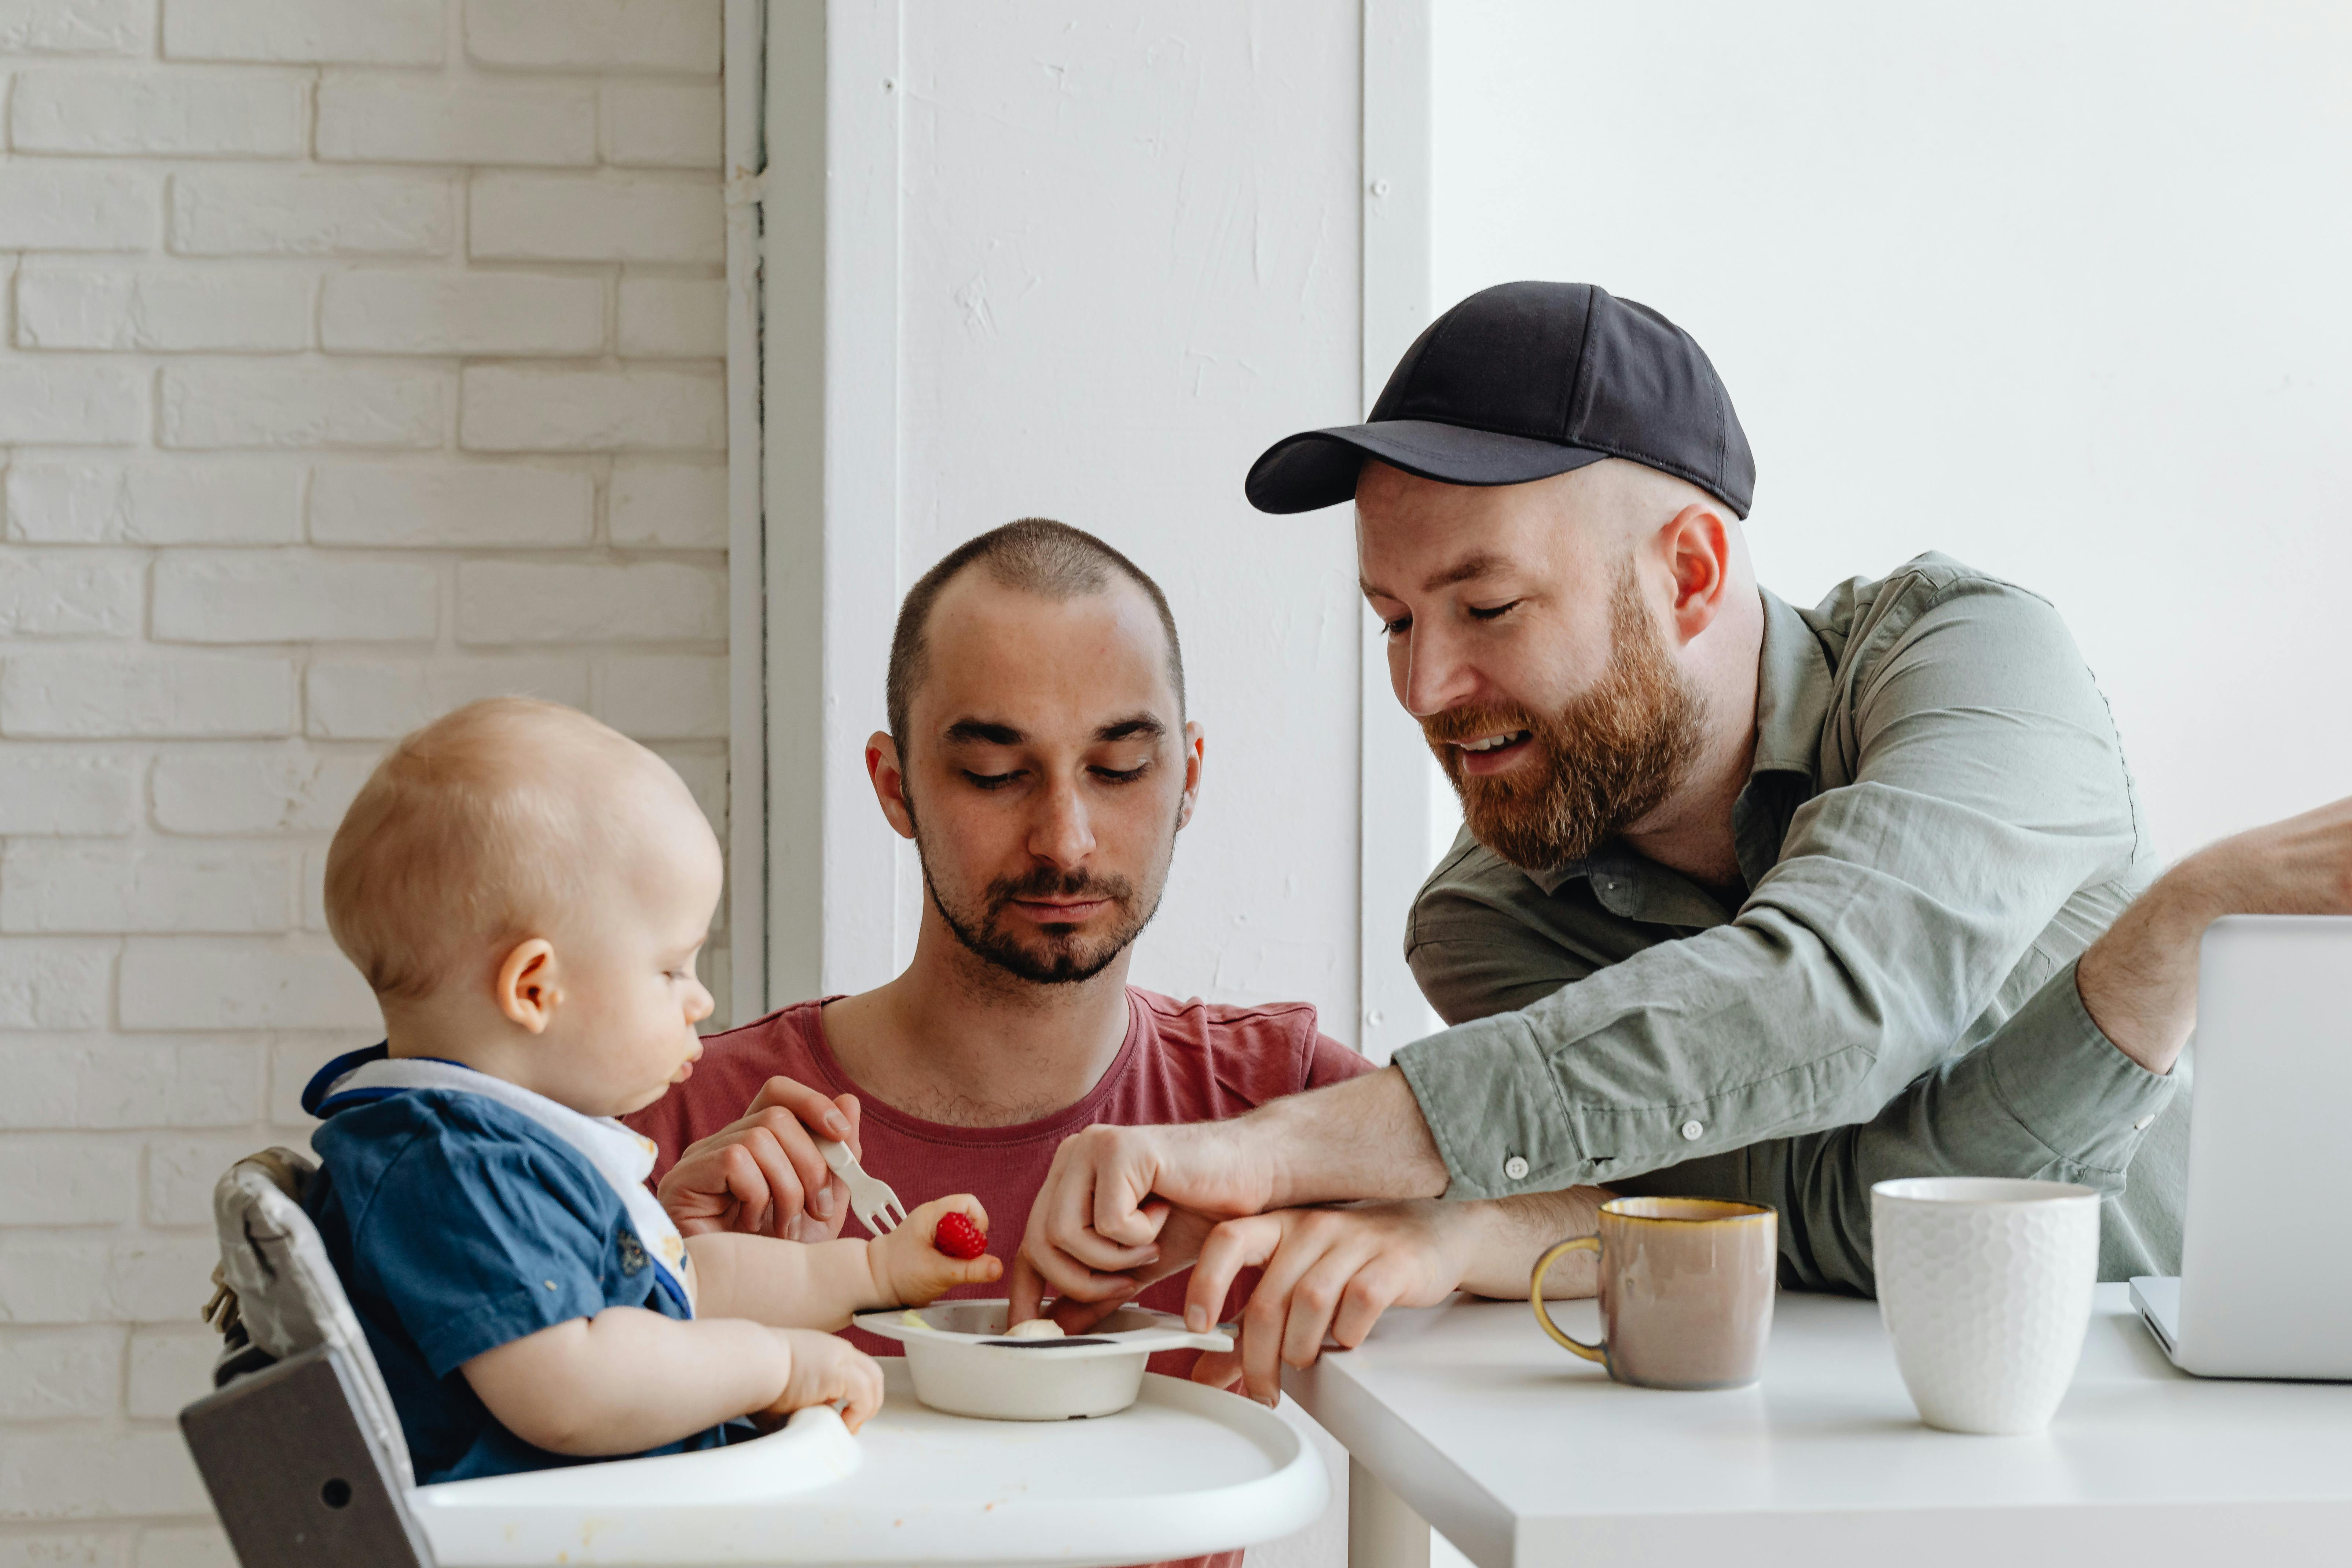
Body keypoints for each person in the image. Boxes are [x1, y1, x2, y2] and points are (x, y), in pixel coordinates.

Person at [1013, 281, 2352, 1402]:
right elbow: (1825, 1222)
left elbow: (1835, 990)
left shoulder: (1972, 658)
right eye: (1394, 619)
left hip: (2233, 1431)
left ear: (1693, 574)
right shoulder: (1487, 922)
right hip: (1790, 1480)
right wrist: (2147, 963)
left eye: (1484, 604)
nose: (1424, 689)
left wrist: (1271, 1148)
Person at [303, 699, 998, 1484]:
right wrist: (773, 1366)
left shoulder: (503, 1149)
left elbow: (688, 1286)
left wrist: (871, 1273)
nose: (698, 1001)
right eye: (671, 969)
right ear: (535, 989)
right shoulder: (455, 1166)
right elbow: (572, 1386)